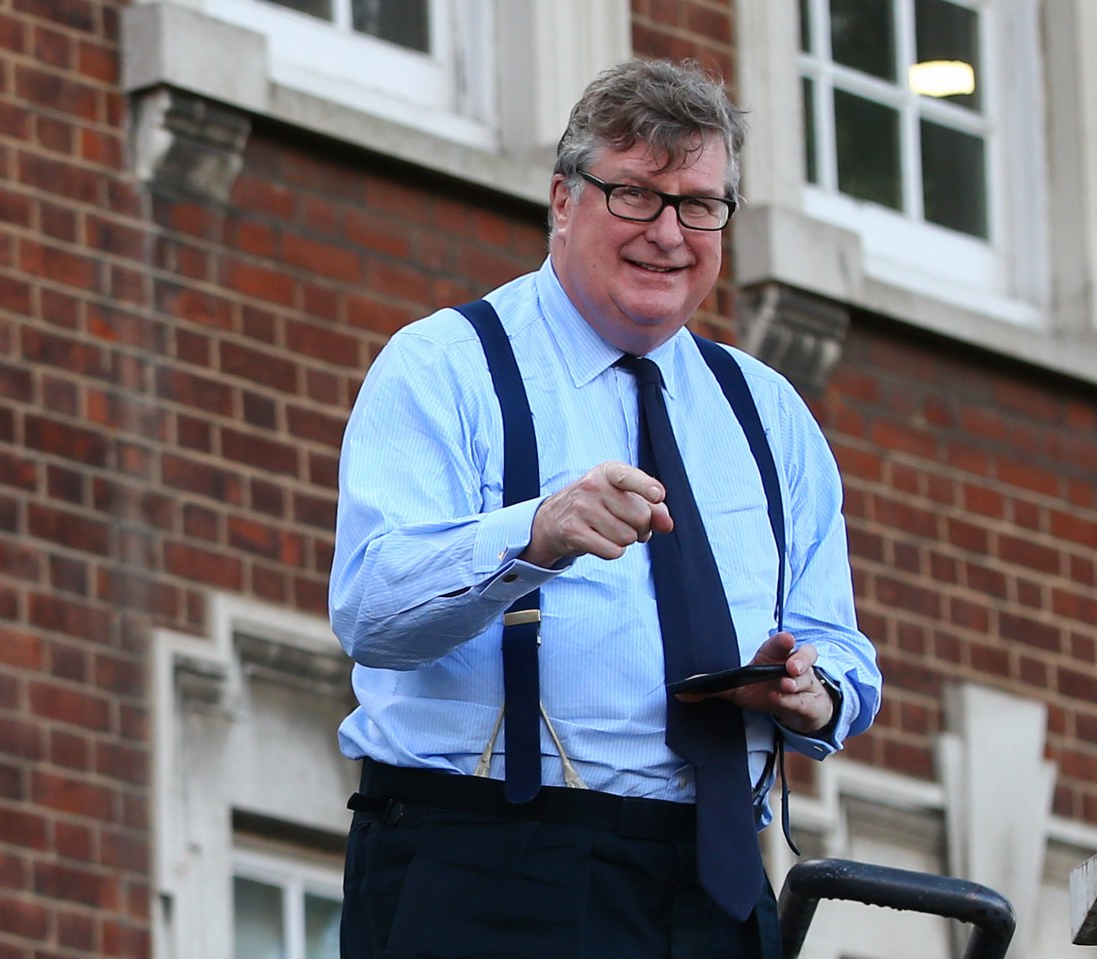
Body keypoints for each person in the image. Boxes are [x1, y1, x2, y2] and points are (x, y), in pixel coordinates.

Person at [330, 58, 881, 959]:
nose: (669, 233)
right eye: (635, 195)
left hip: (715, 877)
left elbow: (842, 646)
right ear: (562, 199)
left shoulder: (769, 413)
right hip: (487, 867)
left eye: (699, 204)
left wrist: (811, 692)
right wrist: (534, 534)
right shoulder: (444, 366)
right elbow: (369, 611)